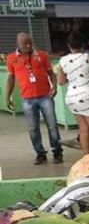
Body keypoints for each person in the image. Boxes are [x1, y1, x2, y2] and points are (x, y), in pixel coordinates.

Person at [4, 32, 63, 165]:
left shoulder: (41, 55)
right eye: (25, 43)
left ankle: (57, 151)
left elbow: (51, 73)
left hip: (45, 96)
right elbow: (10, 79)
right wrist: (7, 97)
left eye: (30, 42)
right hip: (27, 99)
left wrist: (55, 86)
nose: (29, 45)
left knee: (52, 126)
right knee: (33, 128)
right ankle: (40, 153)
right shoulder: (11, 58)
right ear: (18, 44)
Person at [57, 31, 89, 154]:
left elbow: (61, 81)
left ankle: (86, 159)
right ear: (83, 45)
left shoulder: (62, 61)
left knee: (83, 130)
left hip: (72, 97)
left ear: (68, 45)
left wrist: (73, 77)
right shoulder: (88, 58)